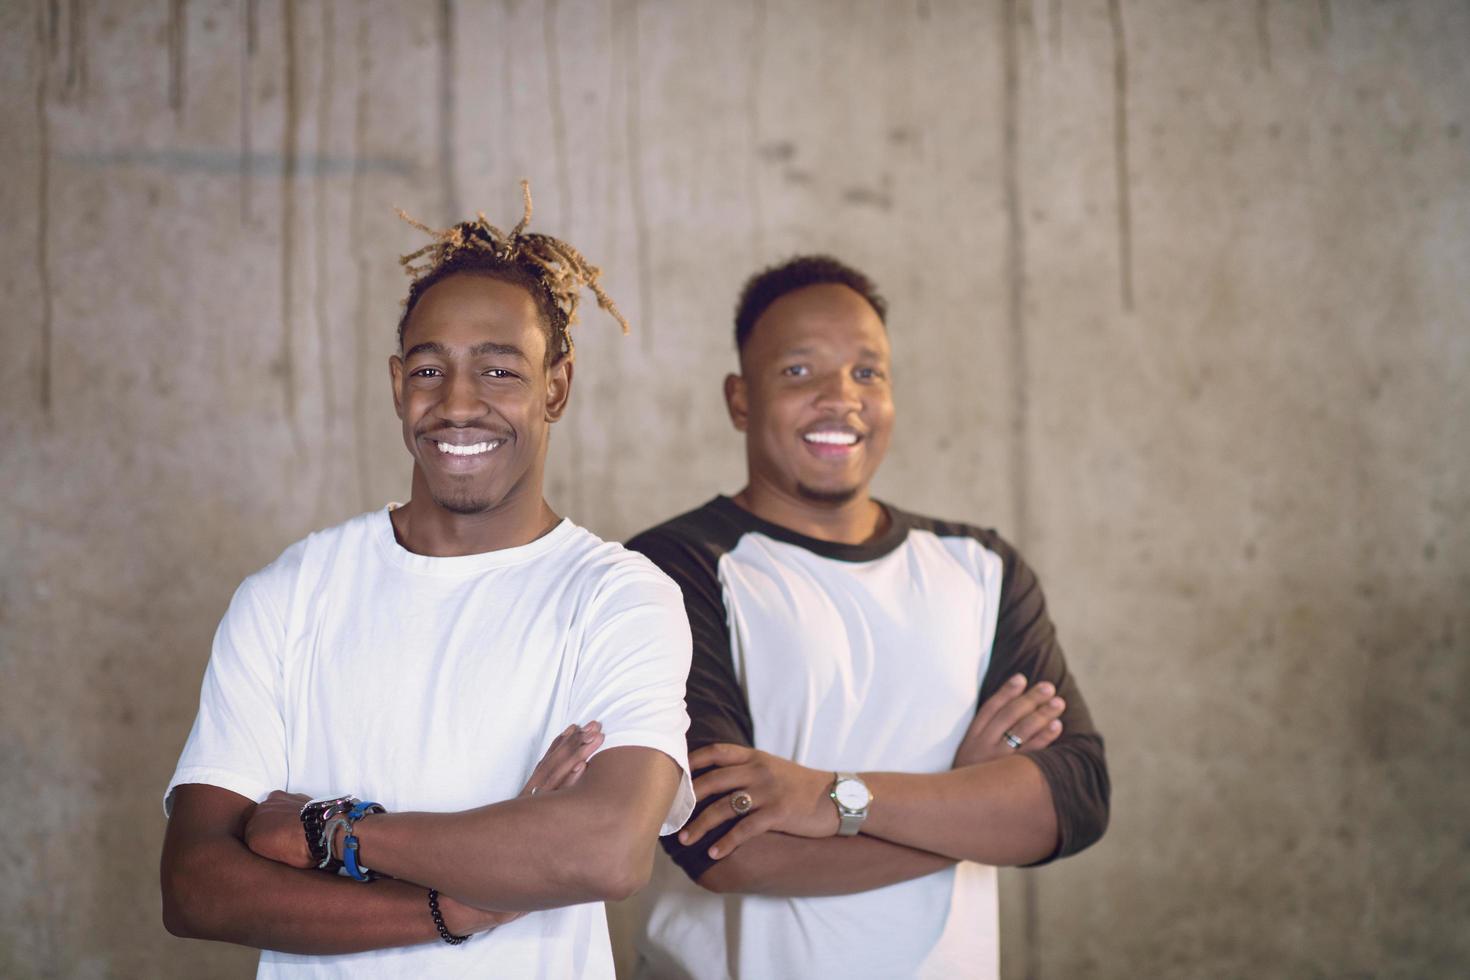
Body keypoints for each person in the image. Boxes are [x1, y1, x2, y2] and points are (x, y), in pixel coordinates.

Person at [160, 184, 694, 979]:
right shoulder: (291, 592)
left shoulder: (617, 597)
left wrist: (333, 833)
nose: (458, 404)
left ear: (557, 387)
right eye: (429, 369)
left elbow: (607, 852)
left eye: (501, 371)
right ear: (396, 384)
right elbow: (196, 886)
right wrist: (459, 905)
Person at [625, 255, 1110, 979]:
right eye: (798, 372)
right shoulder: (676, 567)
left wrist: (832, 797)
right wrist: (970, 805)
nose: (840, 398)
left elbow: (1075, 798)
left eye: (867, 372)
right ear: (739, 399)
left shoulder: (981, 568)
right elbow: (725, 847)